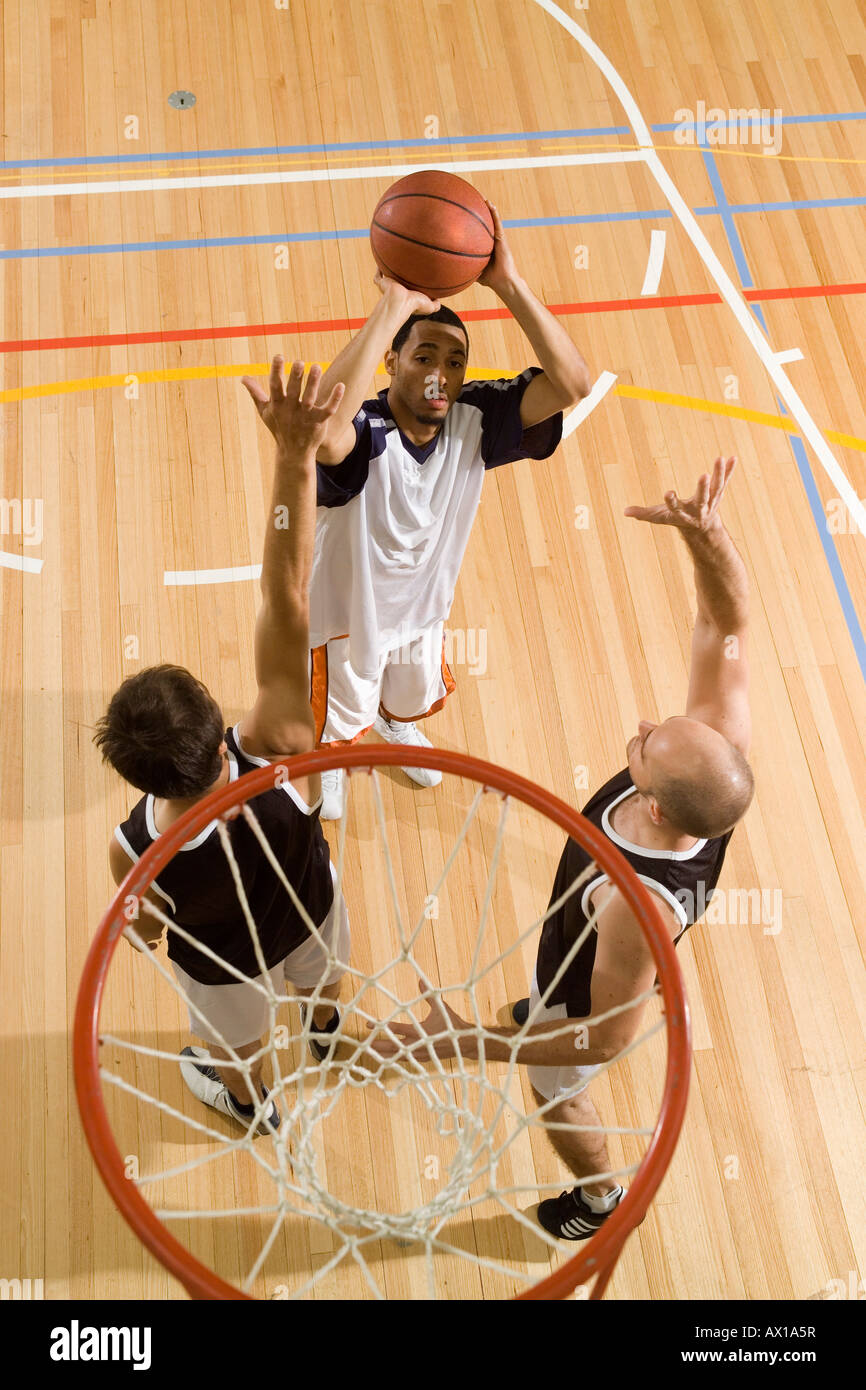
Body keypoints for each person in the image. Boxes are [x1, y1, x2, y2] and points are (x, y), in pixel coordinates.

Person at [369, 457, 754, 1239]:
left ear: (648, 802)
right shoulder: (713, 764)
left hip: (586, 1002)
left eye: (649, 746)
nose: (646, 726)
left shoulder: (631, 905)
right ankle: (535, 1015)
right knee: (548, 1003)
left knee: (556, 1092)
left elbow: (609, 1035)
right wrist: (706, 537)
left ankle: (601, 1198)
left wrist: (458, 1043)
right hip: (580, 961)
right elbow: (727, 626)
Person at [94, 360, 350, 1136]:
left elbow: (145, 935)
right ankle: (327, 1032)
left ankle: (250, 1104)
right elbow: (288, 591)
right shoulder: (278, 740)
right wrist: (293, 454)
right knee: (324, 983)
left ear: (133, 774)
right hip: (310, 914)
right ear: (214, 716)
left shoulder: (135, 846)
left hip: (227, 969)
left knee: (239, 1049)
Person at [310, 203, 593, 817]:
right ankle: (331, 756)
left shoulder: (478, 421)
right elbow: (321, 424)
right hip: (345, 618)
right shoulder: (362, 428)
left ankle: (393, 724)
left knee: (408, 693)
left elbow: (573, 382)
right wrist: (390, 308)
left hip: (421, 608)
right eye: (423, 356)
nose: (441, 375)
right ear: (391, 359)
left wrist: (507, 284)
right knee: (337, 712)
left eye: (455, 361)